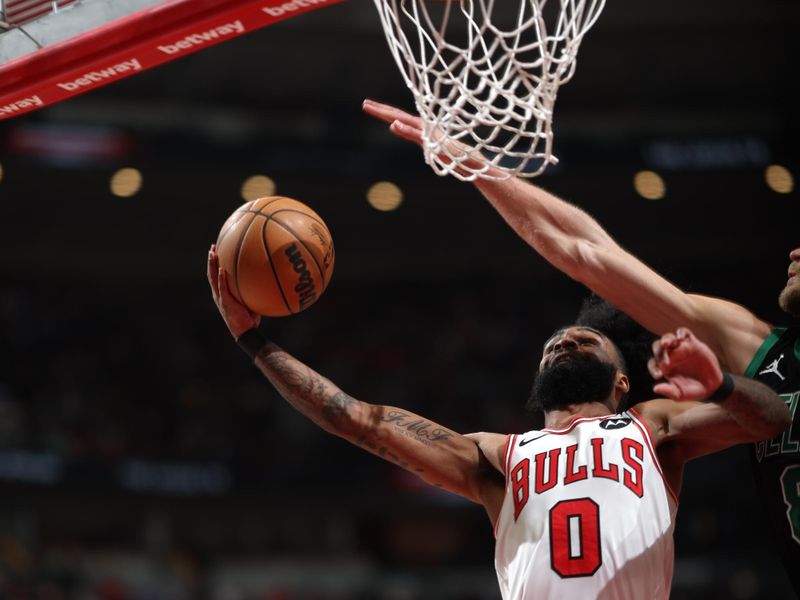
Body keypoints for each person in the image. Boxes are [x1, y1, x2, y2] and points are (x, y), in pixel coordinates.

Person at [361, 98, 800, 593]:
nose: (794, 251)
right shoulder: (751, 343)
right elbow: (585, 253)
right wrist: (471, 163)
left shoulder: (656, 427)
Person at [207, 245, 788, 599]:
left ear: (621, 381)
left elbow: (773, 418)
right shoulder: (499, 457)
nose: (565, 340)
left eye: (586, 339)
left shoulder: (651, 427)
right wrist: (252, 340)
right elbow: (359, 419)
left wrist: (719, 386)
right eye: (555, 342)